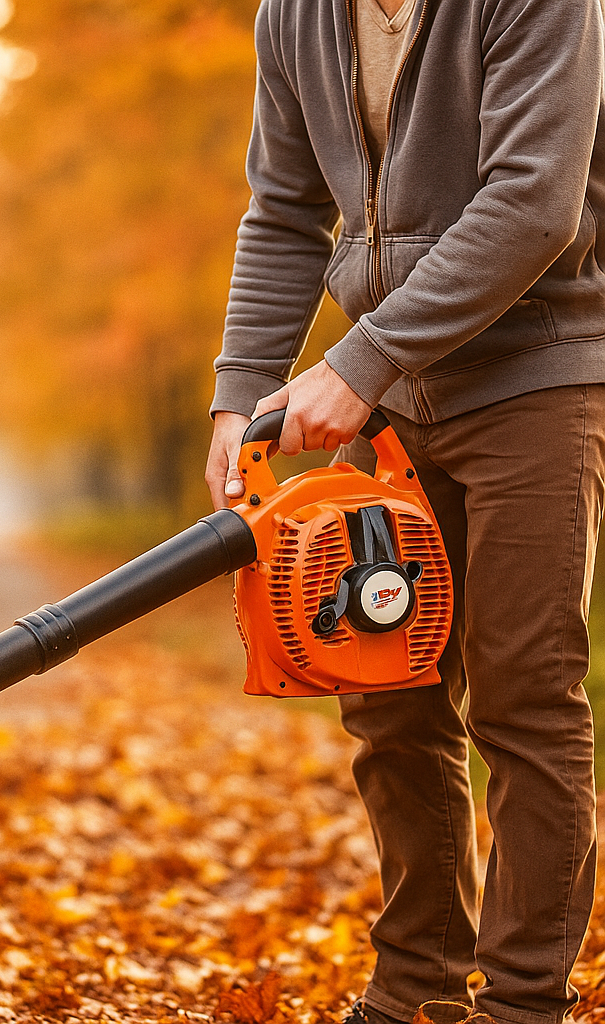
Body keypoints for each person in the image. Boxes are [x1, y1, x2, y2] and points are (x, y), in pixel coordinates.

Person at [203, 2, 605, 1024]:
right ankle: (419, 987)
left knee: (522, 694)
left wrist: (360, 360)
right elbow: (284, 212)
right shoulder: (294, 16)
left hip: (536, 374)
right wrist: (239, 392)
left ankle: (522, 1003)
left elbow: (534, 204)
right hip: (392, 400)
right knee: (385, 689)